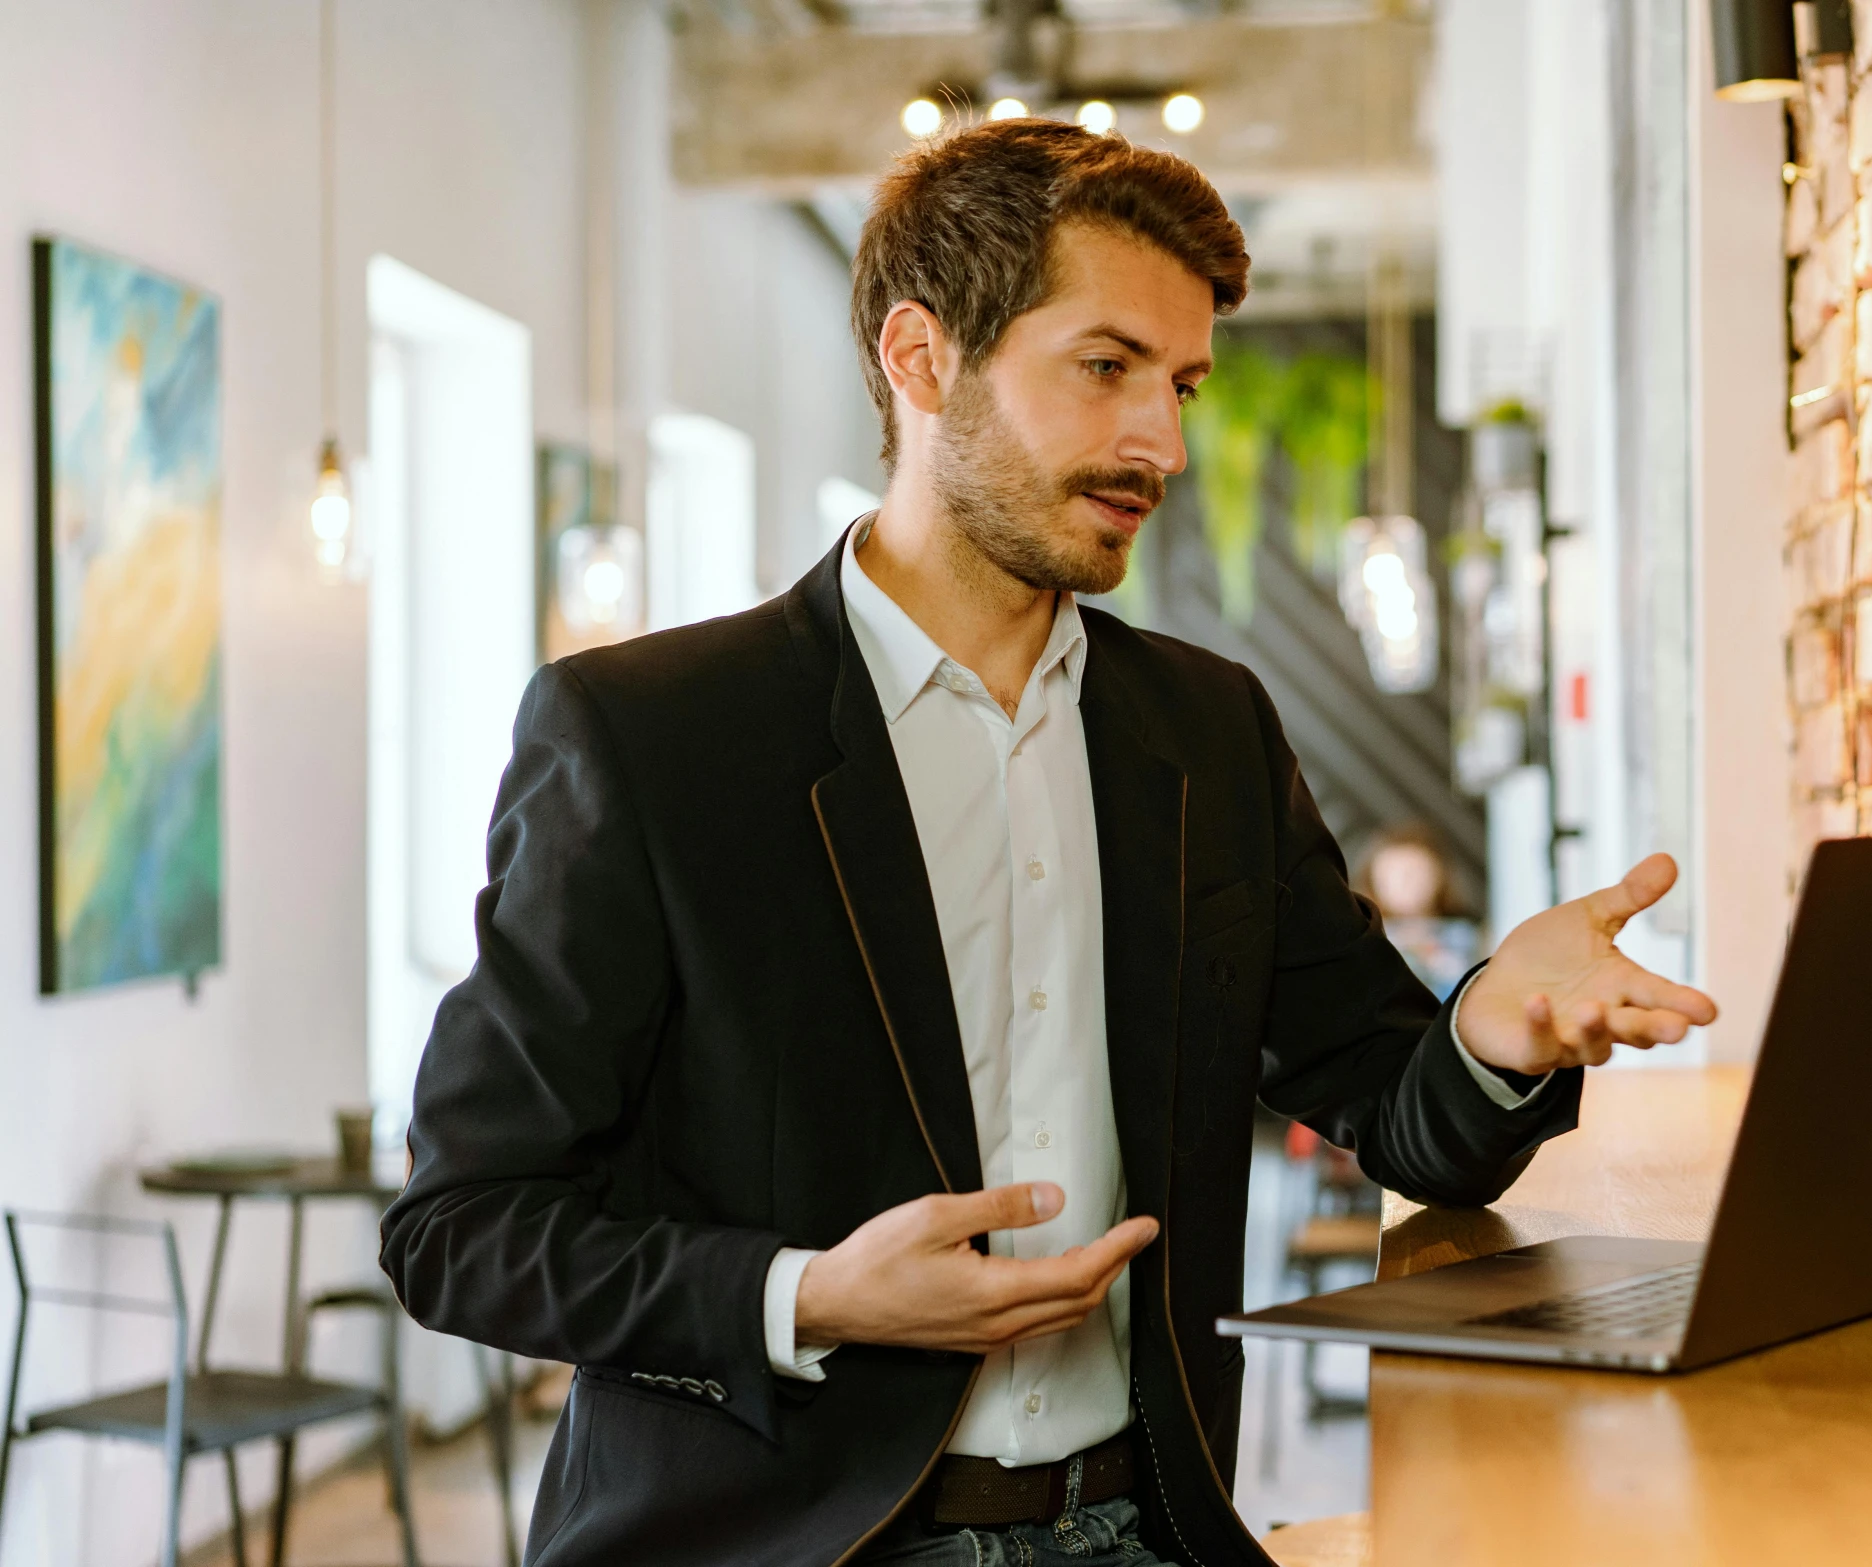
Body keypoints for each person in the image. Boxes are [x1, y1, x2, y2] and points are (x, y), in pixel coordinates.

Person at [380, 119, 1714, 1567]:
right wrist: (805, 1291)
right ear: (920, 358)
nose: (1163, 441)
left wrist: (1494, 1029)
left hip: (1144, 1528)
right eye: (1105, 367)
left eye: (1184, 384)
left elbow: (1395, 1104)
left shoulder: (1207, 730)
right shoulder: (646, 735)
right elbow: (462, 1222)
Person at [1353, 820, 1482, 997]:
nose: (1406, 883)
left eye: (1416, 872)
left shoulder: (1467, 936)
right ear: (1374, 878)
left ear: (1440, 876)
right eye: (1394, 873)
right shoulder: (1361, 937)